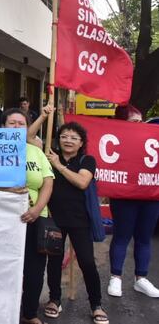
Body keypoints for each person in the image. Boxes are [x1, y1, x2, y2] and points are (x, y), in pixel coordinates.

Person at [44, 122, 108, 324]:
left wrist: (59, 166)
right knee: (54, 261)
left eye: (73, 137)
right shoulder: (49, 154)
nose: (68, 140)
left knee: (87, 262)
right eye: (64, 136)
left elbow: (82, 182)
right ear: (58, 139)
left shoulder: (86, 160)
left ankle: (96, 305)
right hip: (54, 218)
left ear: (81, 143)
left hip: (80, 221)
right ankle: (55, 299)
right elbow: (28, 137)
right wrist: (45, 115)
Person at [1, 108, 55, 324]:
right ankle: (3, 312)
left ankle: (29, 313)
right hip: (3, 219)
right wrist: (5, 192)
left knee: (34, 270)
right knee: (4, 268)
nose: (16, 127)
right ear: (3, 127)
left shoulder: (36, 152)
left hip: (36, 218)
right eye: (11, 123)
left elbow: (48, 182)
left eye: (20, 124)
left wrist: (36, 209)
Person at [107, 105, 159, 298]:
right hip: (124, 194)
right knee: (122, 235)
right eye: (133, 122)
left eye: (140, 121)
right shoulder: (115, 139)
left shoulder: (152, 137)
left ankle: (141, 278)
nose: (139, 125)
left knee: (144, 237)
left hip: (150, 194)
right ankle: (116, 277)